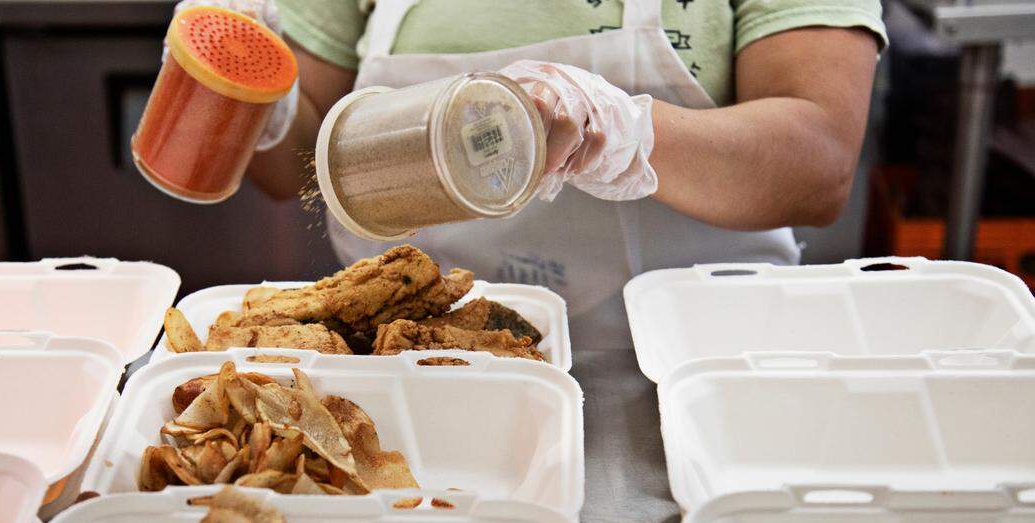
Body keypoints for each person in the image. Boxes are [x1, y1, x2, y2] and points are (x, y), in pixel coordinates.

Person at [236, 0, 886, 348]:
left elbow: (820, 161)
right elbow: (300, 167)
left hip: (693, 374)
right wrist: (253, 95)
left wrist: (629, 133)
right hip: (412, 368)